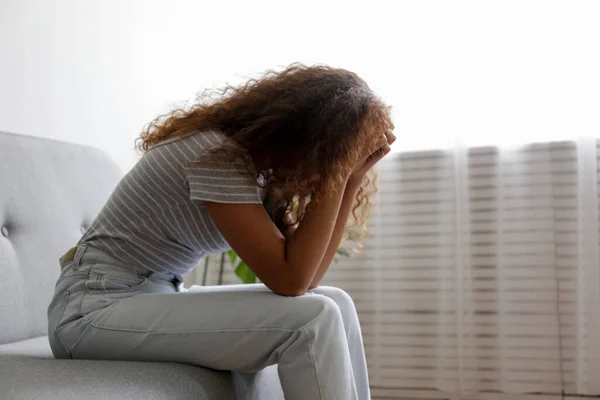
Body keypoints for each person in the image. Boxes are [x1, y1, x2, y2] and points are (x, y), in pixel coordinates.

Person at [47, 64, 395, 400]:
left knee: (334, 301)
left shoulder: (258, 173)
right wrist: (339, 170)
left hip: (148, 295)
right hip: (90, 309)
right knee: (313, 318)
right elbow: (290, 280)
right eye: (332, 154)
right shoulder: (217, 157)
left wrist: (351, 179)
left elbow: (309, 278)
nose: (325, 168)